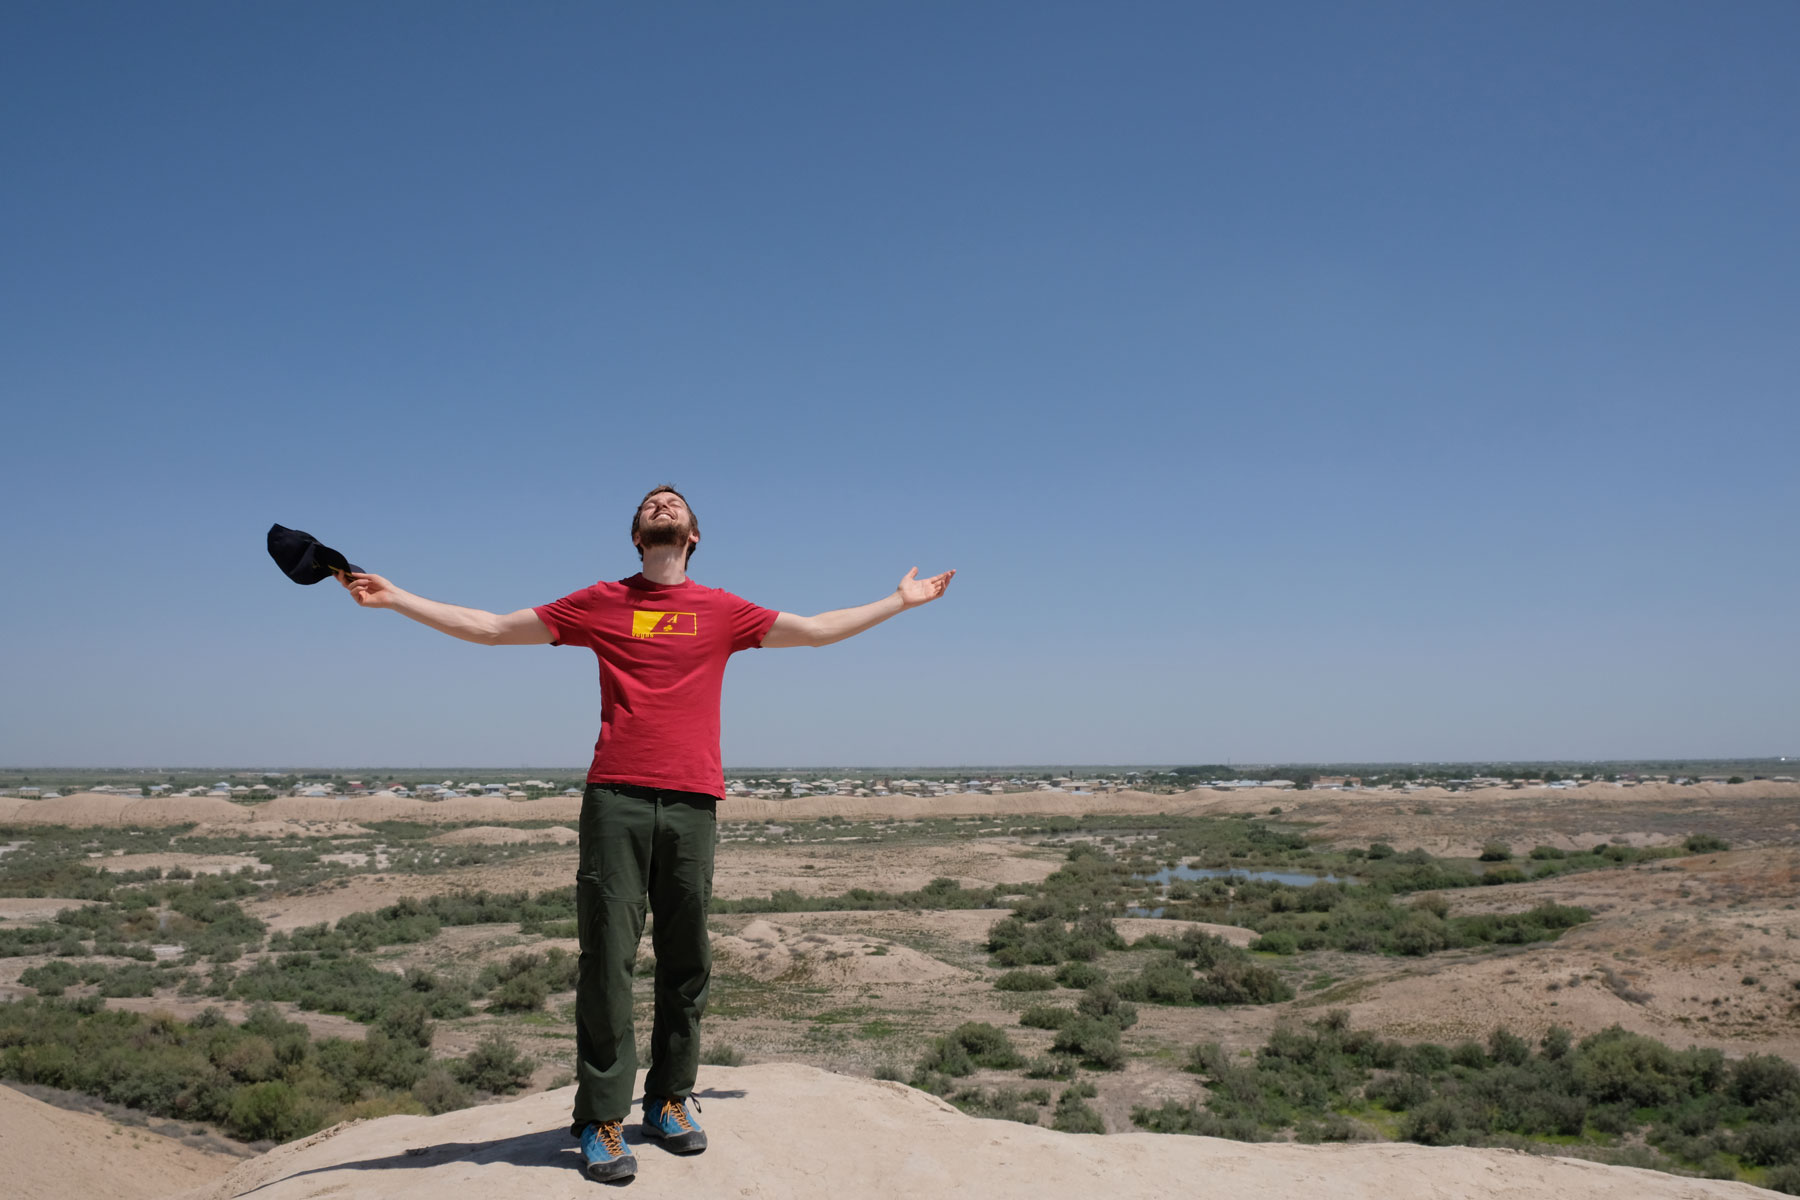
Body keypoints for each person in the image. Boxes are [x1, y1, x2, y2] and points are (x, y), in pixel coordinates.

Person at [340, 484, 953, 1183]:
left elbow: (813, 630)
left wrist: (898, 603)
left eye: (675, 502)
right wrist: (398, 598)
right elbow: (488, 627)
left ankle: (668, 1100)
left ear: (694, 535)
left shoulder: (723, 610)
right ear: (637, 536)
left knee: (687, 956)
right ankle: (602, 1118)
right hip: (617, 799)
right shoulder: (602, 601)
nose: (663, 503)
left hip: (694, 801)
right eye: (651, 503)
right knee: (607, 956)